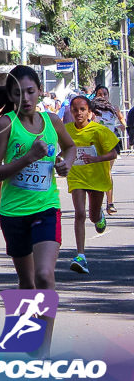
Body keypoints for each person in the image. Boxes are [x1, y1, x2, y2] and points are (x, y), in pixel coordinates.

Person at [0, 65, 75, 358]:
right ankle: (28, 337)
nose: (25, 98)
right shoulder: (5, 126)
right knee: (27, 282)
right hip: (13, 212)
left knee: (45, 275)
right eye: (17, 93)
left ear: (40, 91)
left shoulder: (53, 121)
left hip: (46, 207)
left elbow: (70, 147)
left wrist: (65, 163)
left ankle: (43, 352)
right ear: (10, 96)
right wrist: (29, 157)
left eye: (30, 91)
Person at [63, 95, 117, 274]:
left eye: (82, 109)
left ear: (90, 113)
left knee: (92, 215)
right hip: (77, 176)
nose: (78, 113)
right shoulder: (66, 130)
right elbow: (59, 148)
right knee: (79, 213)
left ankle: (99, 216)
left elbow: (113, 154)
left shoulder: (98, 131)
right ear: (70, 111)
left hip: (96, 177)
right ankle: (80, 255)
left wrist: (95, 159)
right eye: (75, 109)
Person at [92, 85, 124, 215]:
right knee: (98, 173)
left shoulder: (113, 108)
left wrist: (122, 125)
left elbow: (122, 120)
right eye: (100, 94)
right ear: (96, 95)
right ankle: (97, 203)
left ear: (108, 95)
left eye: (105, 94)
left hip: (110, 144)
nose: (102, 96)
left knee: (107, 172)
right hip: (96, 144)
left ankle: (110, 203)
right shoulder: (93, 108)